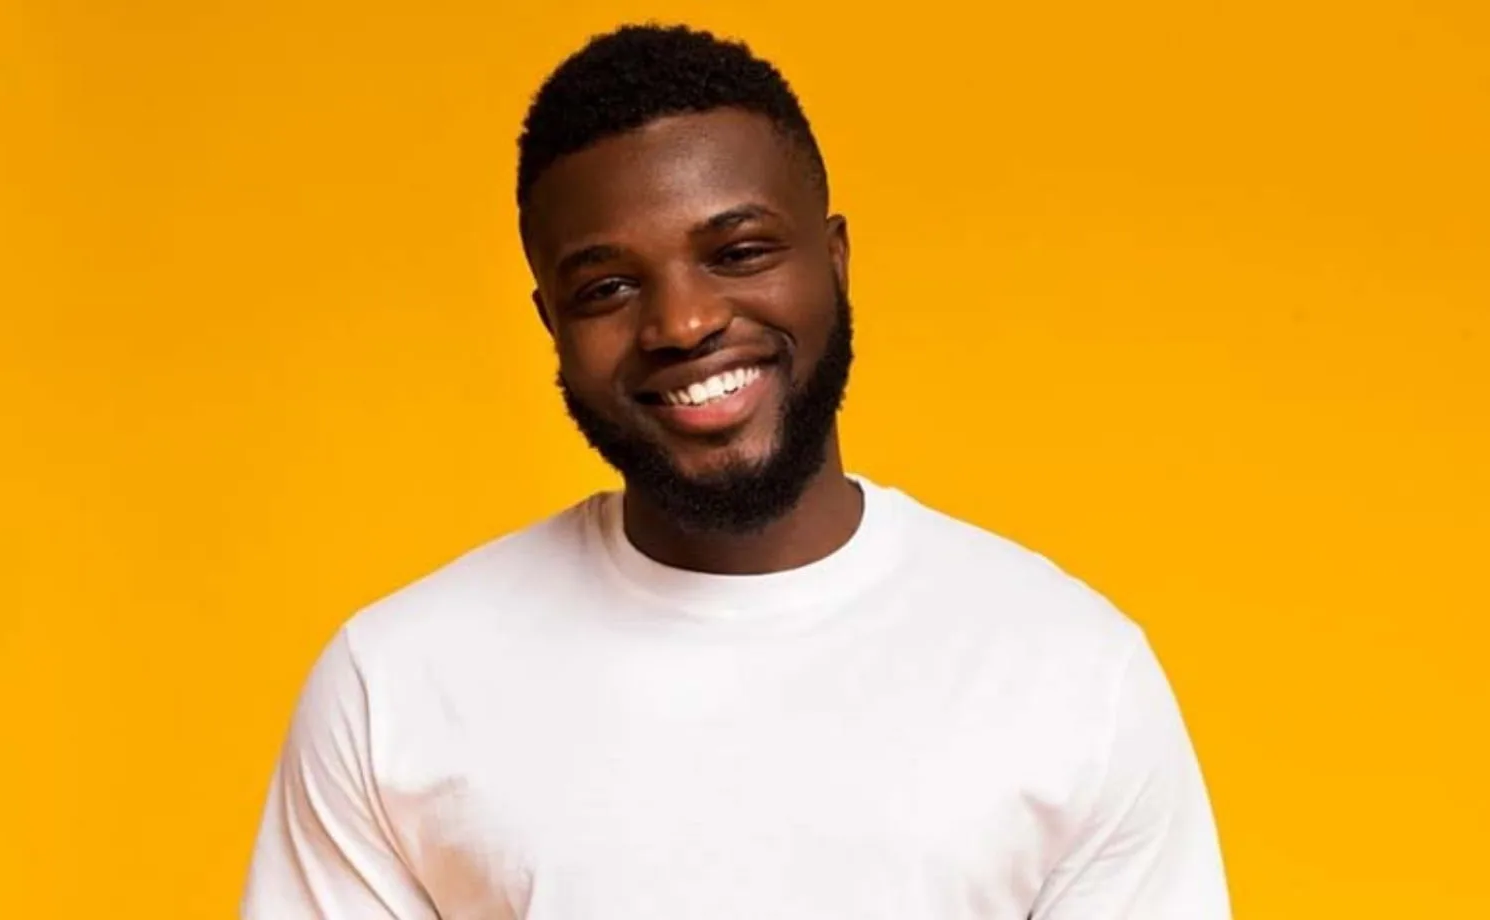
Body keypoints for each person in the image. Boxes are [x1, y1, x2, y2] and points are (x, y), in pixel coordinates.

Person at [242, 23, 1231, 920]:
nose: (682, 322)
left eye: (739, 250)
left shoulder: (1068, 674)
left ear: (835, 261)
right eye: (609, 286)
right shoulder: (396, 685)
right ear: (551, 323)